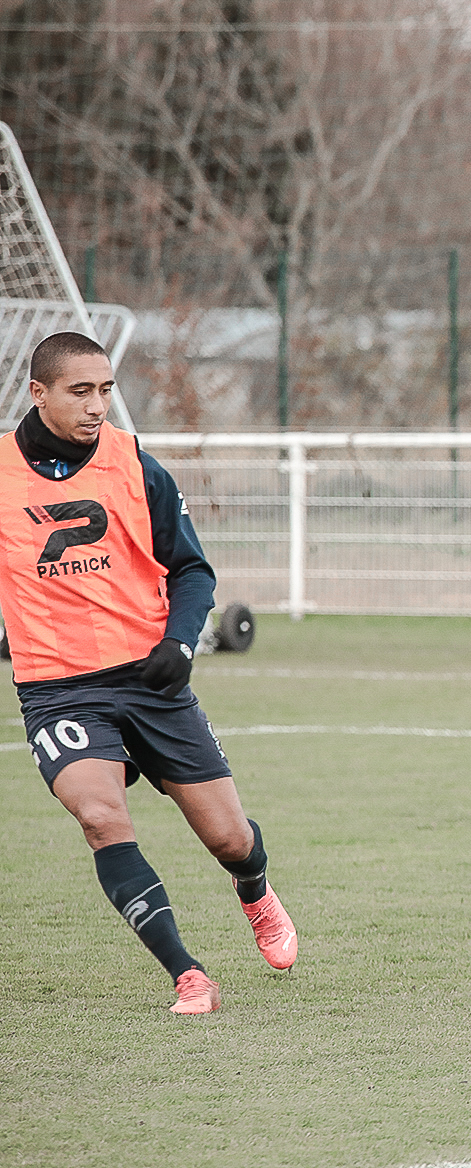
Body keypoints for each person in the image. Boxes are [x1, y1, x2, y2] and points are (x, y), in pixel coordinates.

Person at [1, 331, 297, 1015]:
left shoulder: (137, 466)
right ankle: (188, 975)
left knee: (229, 838)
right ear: (38, 392)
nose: (97, 405)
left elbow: (192, 571)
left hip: (151, 680)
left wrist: (180, 645)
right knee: (101, 818)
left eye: (106, 389)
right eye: (80, 391)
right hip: (57, 689)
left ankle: (254, 889)